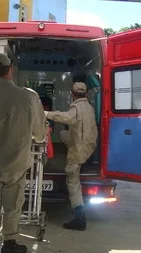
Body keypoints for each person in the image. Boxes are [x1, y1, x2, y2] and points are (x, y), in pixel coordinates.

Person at [0, 53, 47, 253]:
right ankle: (9, 244)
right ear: (11, 68)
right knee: (13, 205)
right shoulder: (28, 96)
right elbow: (40, 134)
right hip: (17, 162)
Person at [44, 82, 98, 231]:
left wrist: (46, 114)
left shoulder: (76, 108)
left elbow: (66, 118)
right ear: (86, 94)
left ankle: (80, 219)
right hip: (89, 145)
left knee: (72, 180)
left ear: (73, 94)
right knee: (62, 133)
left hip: (79, 149)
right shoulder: (90, 107)